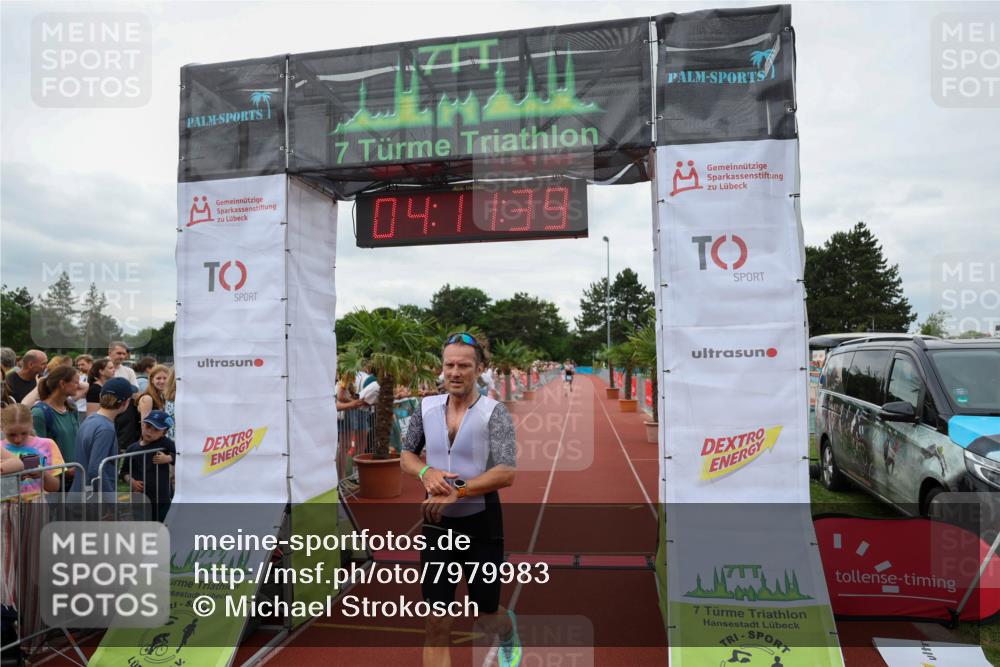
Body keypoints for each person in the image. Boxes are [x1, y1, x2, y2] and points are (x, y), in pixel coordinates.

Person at [400, 332, 521, 667]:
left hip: (482, 524)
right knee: (436, 621)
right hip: (437, 526)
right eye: (449, 365)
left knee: (486, 615)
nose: (454, 372)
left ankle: (508, 632)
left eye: (463, 365)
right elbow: (406, 455)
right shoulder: (425, 408)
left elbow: (507, 472)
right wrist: (425, 473)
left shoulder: (496, 413)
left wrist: (461, 491)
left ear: (480, 368)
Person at [71, 377, 136, 495]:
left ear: (101, 396)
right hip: (93, 501)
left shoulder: (89, 419)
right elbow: (96, 469)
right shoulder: (106, 429)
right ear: (125, 402)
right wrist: (110, 499)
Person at [30, 366, 80, 489]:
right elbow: (37, 451)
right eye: (75, 382)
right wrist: (63, 470)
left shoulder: (71, 408)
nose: (78, 386)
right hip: (54, 482)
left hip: (76, 476)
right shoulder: (39, 413)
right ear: (62, 383)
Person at [123, 410, 176, 522]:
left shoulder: (164, 443)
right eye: (148, 426)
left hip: (161, 498)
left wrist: (168, 458)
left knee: (163, 526)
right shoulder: (131, 449)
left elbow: (181, 455)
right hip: (139, 498)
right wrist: (131, 481)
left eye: (156, 429)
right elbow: (124, 472)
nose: (149, 432)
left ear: (164, 432)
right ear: (142, 425)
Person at [1, 404, 63, 498]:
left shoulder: (47, 445)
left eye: (24, 433)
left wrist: (43, 474)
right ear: (2, 428)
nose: (18, 439)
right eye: (12, 435)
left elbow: (55, 487)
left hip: (37, 506)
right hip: (6, 507)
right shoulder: (1, 448)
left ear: (31, 424)